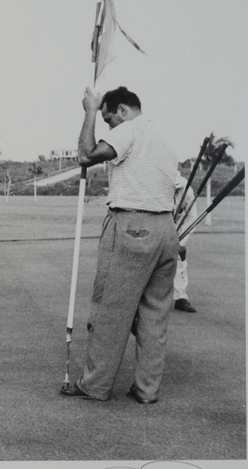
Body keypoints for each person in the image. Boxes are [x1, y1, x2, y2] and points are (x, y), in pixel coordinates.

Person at [61, 86, 179, 405]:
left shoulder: (128, 129)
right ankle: (146, 389)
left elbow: (86, 156)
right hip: (166, 229)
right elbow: (178, 190)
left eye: (108, 119)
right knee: (154, 316)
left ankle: (95, 385)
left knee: (110, 312)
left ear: (123, 111)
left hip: (132, 226)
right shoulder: (162, 137)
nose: (109, 127)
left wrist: (89, 111)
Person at [173, 172, 198, 313]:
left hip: (178, 228)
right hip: (158, 225)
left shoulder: (187, 190)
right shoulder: (157, 185)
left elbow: (191, 217)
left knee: (180, 260)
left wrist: (180, 240)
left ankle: (180, 297)